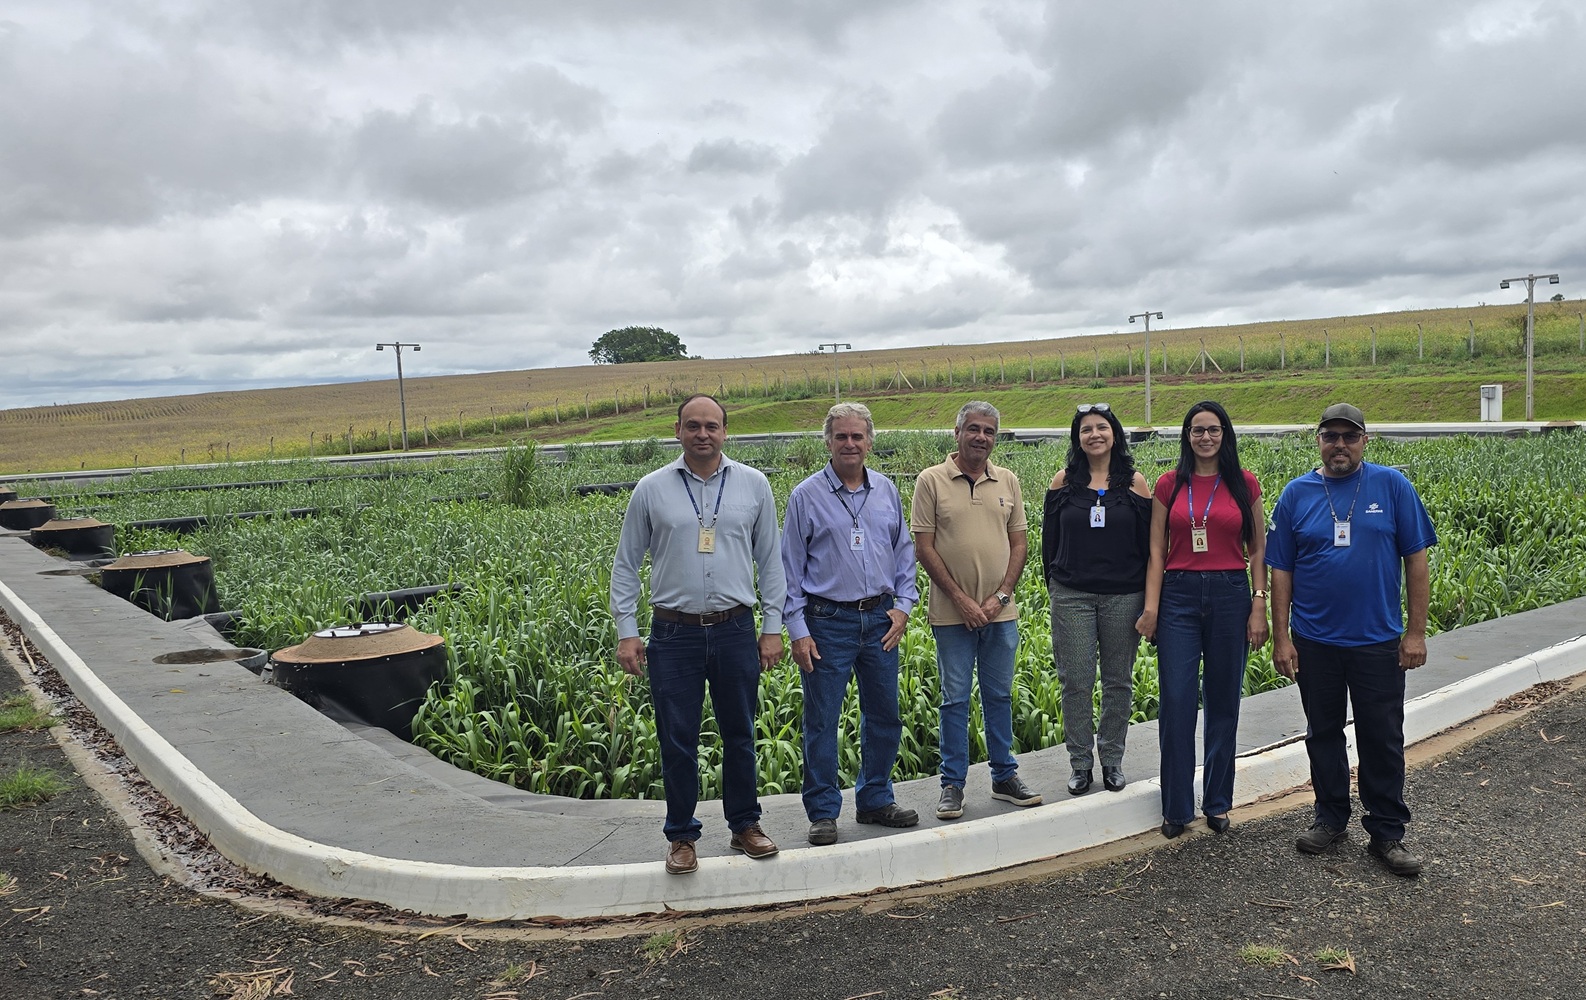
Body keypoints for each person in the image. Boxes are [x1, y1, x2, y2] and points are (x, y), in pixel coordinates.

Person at [610, 394, 787, 876]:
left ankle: (745, 825)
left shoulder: (754, 485)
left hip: (735, 629)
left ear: (725, 432)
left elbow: (771, 562)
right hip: (674, 634)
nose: (702, 434)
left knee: (740, 733)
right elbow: (625, 566)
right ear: (678, 430)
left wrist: (773, 627)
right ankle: (682, 836)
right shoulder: (651, 489)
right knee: (677, 738)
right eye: (693, 426)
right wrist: (627, 631)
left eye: (711, 425)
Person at [1266, 403, 1436, 877]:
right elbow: (1281, 571)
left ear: (1365, 441)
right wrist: (1283, 638)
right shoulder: (1296, 494)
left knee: (1382, 737)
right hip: (1315, 640)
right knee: (1322, 733)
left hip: (1378, 640)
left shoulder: (1393, 487)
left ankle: (1387, 833)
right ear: (1317, 440)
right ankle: (1330, 818)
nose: (1339, 444)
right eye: (1330, 436)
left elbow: (1416, 562)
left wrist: (1416, 633)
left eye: (1349, 436)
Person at [782, 402, 920, 845]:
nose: (850, 444)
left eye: (857, 436)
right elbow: (790, 568)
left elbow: (904, 552)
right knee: (822, 719)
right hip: (827, 621)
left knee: (884, 714)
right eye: (841, 436)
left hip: (880, 618)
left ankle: (876, 798)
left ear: (870, 441)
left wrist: (903, 605)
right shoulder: (806, 495)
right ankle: (823, 811)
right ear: (828, 441)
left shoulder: (886, 491)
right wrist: (797, 629)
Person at [1136, 401, 1269, 839]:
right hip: (1178, 596)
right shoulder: (1168, 485)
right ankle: (1176, 807)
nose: (1206, 437)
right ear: (1186, 436)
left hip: (1231, 594)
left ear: (1225, 435)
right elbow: (1156, 551)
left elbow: (1257, 551)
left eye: (1214, 430)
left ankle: (1217, 802)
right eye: (1197, 430)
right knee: (1175, 701)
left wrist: (1258, 604)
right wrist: (1152, 608)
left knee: (1223, 701)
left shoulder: (1244, 483)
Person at [912, 401, 1041, 820]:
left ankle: (1004, 776)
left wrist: (1001, 596)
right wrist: (963, 601)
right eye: (973, 429)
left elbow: (1019, 543)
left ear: (995, 437)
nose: (980, 437)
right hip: (953, 616)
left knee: (999, 695)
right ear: (957, 432)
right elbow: (924, 547)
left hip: (1000, 614)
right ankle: (953, 784)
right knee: (954, 699)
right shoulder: (931, 481)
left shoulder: (1008, 480)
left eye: (988, 431)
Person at [1041, 403, 1151, 797]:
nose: (1094, 435)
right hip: (1072, 595)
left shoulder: (1135, 483)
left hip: (1124, 594)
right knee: (1077, 681)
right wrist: (1054, 583)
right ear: (1078, 439)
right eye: (1086, 430)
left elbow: (1149, 544)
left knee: (1118, 681)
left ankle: (1112, 759)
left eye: (1101, 428)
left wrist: (1148, 598)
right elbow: (1048, 540)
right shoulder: (1063, 481)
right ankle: (1080, 764)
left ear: (1114, 434)